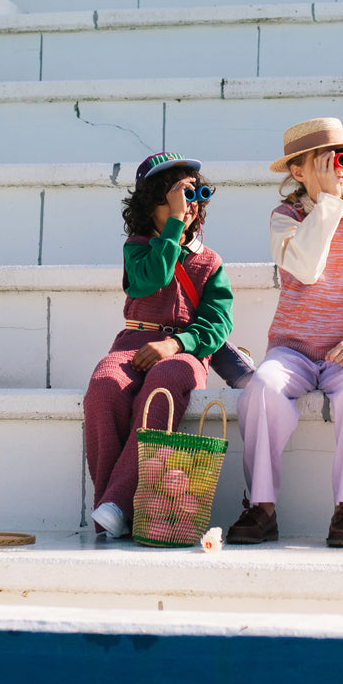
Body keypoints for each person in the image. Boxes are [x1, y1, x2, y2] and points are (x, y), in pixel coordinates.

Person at [228, 117, 343, 547]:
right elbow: (306, 268)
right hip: (293, 349)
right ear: (299, 171)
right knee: (262, 390)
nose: (341, 169)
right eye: (328, 161)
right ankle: (263, 506)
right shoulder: (285, 219)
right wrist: (327, 203)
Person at [84, 152, 244, 539]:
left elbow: (218, 322)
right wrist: (173, 226)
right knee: (105, 387)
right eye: (172, 198)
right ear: (150, 205)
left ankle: (117, 504)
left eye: (191, 197)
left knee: (163, 384)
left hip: (185, 352)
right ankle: (112, 503)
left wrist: (176, 344)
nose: (185, 207)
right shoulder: (137, 248)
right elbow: (149, 280)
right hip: (133, 340)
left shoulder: (209, 262)